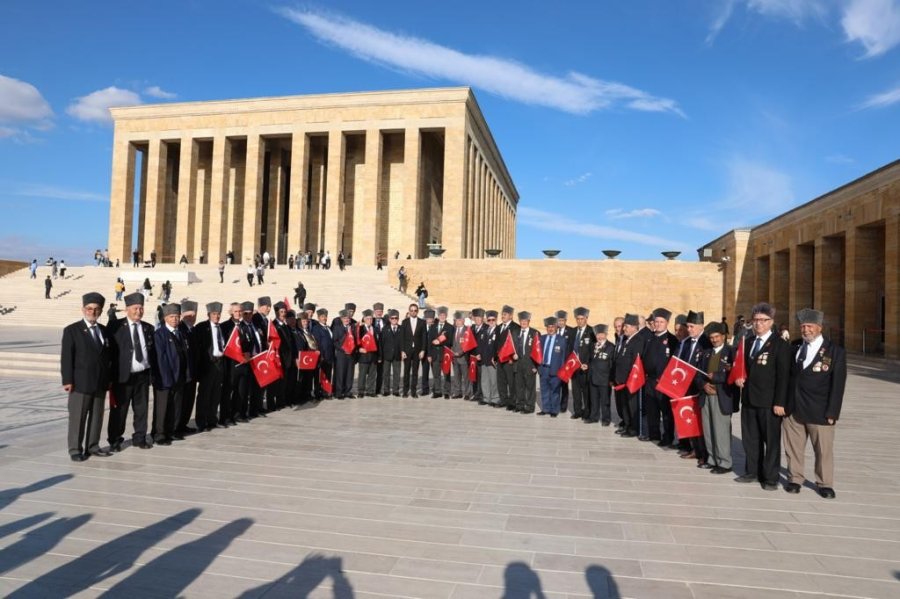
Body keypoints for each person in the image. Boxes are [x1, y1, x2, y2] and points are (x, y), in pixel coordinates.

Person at [783, 308, 847, 499]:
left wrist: (833, 412)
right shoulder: (794, 347)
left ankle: (825, 483)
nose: (806, 330)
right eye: (803, 326)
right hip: (794, 408)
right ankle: (795, 478)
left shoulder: (835, 351)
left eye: (809, 326)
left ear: (819, 327)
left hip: (820, 410)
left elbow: (838, 385)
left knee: (823, 450)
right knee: (793, 447)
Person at [733, 302, 791, 491]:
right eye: (755, 320)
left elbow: (784, 377)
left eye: (762, 321)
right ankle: (752, 471)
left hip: (769, 402)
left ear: (771, 322)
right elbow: (741, 366)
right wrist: (738, 377)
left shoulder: (780, 345)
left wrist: (780, 402)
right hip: (749, 399)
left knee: (771, 441)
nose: (758, 324)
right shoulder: (748, 342)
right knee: (751, 438)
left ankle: (770, 477)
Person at [61, 292, 114, 461]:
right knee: (78, 417)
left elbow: (108, 357)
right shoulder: (72, 330)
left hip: (100, 382)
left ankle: (92, 445)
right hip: (80, 383)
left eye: (96, 309)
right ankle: (75, 449)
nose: (92, 311)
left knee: (97, 416)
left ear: (100, 311)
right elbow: (67, 357)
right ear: (83, 309)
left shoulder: (104, 331)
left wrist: (109, 379)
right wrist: (67, 380)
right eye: (89, 308)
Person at [108, 292, 155, 451]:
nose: (139, 311)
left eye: (141, 308)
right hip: (122, 377)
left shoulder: (148, 328)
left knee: (141, 409)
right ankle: (115, 440)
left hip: (142, 375)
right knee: (119, 410)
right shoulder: (115, 327)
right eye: (135, 308)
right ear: (127, 309)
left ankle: (140, 438)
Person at [697, 321, 738, 474]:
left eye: (717, 337)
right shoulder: (706, 352)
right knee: (708, 429)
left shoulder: (731, 352)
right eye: (712, 337)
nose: (714, 340)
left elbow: (734, 374)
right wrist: (703, 385)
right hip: (706, 395)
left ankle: (725, 462)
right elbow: (698, 373)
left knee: (720, 430)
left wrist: (717, 377)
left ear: (723, 336)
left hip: (721, 396)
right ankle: (711, 459)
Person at [151, 303, 191, 446]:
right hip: (165, 378)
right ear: (166, 318)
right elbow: (160, 358)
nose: (175, 319)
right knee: (162, 407)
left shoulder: (180, 332)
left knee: (176, 405)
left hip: (179, 376)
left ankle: (172, 430)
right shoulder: (160, 334)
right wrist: (166, 377)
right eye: (172, 317)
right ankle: (159, 434)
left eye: (177, 316)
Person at [642, 308, 678, 444]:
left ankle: (668, 437)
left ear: (667, 323)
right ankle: (654, 434)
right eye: (656, 322)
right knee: (652, 409)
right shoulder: (649, 338)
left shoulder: (672, 340)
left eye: (661, 322)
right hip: (650, 380)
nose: (658, 324)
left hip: (664, 382)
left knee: (666, 411)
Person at [193, 302, 227, 432]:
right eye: (214, 314)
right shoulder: (201, 327)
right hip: (208, 364)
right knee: (204, 394)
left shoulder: (221, 327)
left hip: (220, 363)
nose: (217, 316)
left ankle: (212, 419)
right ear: (209, 315)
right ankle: (201, 422)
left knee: (215, 393)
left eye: (218, 314)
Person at [175, 301, 199, 435]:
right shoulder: (180, 329)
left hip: (192, 372)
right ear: (183, 315)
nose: (191, 318)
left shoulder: (193, 329)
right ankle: (177, 427)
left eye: (194, 315)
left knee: (189, 401)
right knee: (181, 402)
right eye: (188, 315)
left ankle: (183, 424)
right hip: (183, 373)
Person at [537, 316, 566, 417]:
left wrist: (562, 371)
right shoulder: (542, 338)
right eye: (548, 327)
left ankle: (554, 410)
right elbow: (538, 353)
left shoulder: (561, 340)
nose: (550, 329)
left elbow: (563, 357)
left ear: (556, 327)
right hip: (544, 368)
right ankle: (546, 409)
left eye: (552, 326)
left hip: (555, 369)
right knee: (544, 390)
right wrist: (538, 367)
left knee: (555, 391)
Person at [569, 307, 594, 420]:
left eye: (581, 319)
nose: (579, 321)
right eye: (577, 319)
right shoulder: (573, 331)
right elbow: (570, 349)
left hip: (585, 367)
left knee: (586, 391)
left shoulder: (592, 331)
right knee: (576, 391)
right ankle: (577, 411)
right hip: (574, 367)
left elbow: (593, 351)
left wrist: (588, 364)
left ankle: (587, 412)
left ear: (586, 318)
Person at [512, 312, 539, 414]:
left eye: (525, 321)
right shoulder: (515, 332)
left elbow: (538, 351)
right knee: (519, 386)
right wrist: (512, 355)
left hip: (530, 364)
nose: (523, 322)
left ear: (529, 321)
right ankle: (520, 405)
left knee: (530, 387)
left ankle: (530, 406)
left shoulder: (535, 333)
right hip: (518, 363)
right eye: (521, 321)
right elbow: (511, 348)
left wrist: (536, 366)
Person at [587, 324, 614, 425]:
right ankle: (594, 417)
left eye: (602, 334)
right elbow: (590, 360)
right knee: (594, 400)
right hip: (593, 377)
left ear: (606, 334)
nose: (600, 336)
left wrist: (611, 379)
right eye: (598, 334)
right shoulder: (593, 345)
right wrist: (587, 365)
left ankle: (606, 419)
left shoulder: (611, 347)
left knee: (605, 401)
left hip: (604, 379)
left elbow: (611, 364)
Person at [399, 303, 427, 397]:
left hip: (417, 351)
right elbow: (402, 338)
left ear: (417, 311)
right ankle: (405, 391)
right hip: (407, 350)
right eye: (411, 310)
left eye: (415, 310)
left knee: (415, 372)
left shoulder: (422, 322)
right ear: (409, 311)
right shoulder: (404, 322)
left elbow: (424, 337)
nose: (413, 312)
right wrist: (402, 351)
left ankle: (414, 391)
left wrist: (423, 350)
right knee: (406, 371)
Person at [496, 305, 520, 410]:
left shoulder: (515, 327)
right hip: (500, 359)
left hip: (509, 360)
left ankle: (512, 402)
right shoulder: (499, 327)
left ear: (510, 316)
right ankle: (503, 400)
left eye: (505, 314)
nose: (503, 316)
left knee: (511, 382)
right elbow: (496, 344)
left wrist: (512, 358)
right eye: (502, 314)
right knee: (501, 381)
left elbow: (516, 344)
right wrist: (494, 356)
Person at [427, 307, 453, 398]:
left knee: (446, 374)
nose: (442, 316)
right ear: (438, 316)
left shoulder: (450, 327)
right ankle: (437, 391)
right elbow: (429, 341)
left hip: (445, 354)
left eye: (444, 315)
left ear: (446, 316)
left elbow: (450, 341)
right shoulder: (433, 326)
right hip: (434, 354)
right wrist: (429, 354)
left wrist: (440, 340)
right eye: (441, 315)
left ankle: (447, 392)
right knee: (436, 374)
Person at [332, 309, 357, 399]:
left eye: (348, 318)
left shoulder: (353, 328)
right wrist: (343, 349)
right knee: (340, 373)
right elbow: (335, 342)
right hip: (341, 354)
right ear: (341, 319)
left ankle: (348, 391)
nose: (347, 320)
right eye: (345, 318)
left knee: (350, 373)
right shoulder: (337, 328)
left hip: (351, 354)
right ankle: (339, 392)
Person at [478, 310, 500, 406]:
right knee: (485, 380)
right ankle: (486, 398)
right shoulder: (484, 330)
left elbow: (500, 346)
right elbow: (480, 344)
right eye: (489, 320)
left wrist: (496, 357)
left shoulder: (498, 331)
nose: (491, 321)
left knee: (494, 380)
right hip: (484, 359)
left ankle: (495, 398)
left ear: (496, 320)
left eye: (493, 320)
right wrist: (479, 353)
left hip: (492, 360)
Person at [556, 310, 576, 413]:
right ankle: (555, 404)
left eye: (562, 320)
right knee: (555, 384)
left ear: (565, 321)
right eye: (559, 320)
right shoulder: (553, 330)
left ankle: (563, 406)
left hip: (566, 363)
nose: (560, 322)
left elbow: (573, 347)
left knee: (564, 385)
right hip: (556, 363)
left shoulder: (571, 331)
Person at [356, 310, 380, 397]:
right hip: (363, 355)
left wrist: (379, 356)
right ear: (364, 319)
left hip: (373, 355)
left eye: (371, 319)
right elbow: (356, 341)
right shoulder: (360, 329)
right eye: (368, 319)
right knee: (362, 374)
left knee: (372, 374)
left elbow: (379, 343)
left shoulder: (376, 329)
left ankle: (370, 391)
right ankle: (361, 391)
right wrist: (359, 349)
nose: (369, 320)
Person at [380, 309, 403, 396]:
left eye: (396, 318)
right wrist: (381, 356)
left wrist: (402, 352)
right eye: (392, 318)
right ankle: (386, 390)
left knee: (397, 373)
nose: (394, 320)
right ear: (389, 319)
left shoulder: (401, 329)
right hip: (387, 355)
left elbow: (403, 342)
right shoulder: (385, 329)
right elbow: (382, 343)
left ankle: (396, 390)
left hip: (397, 355)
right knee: (386, 373)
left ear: (398, 319)